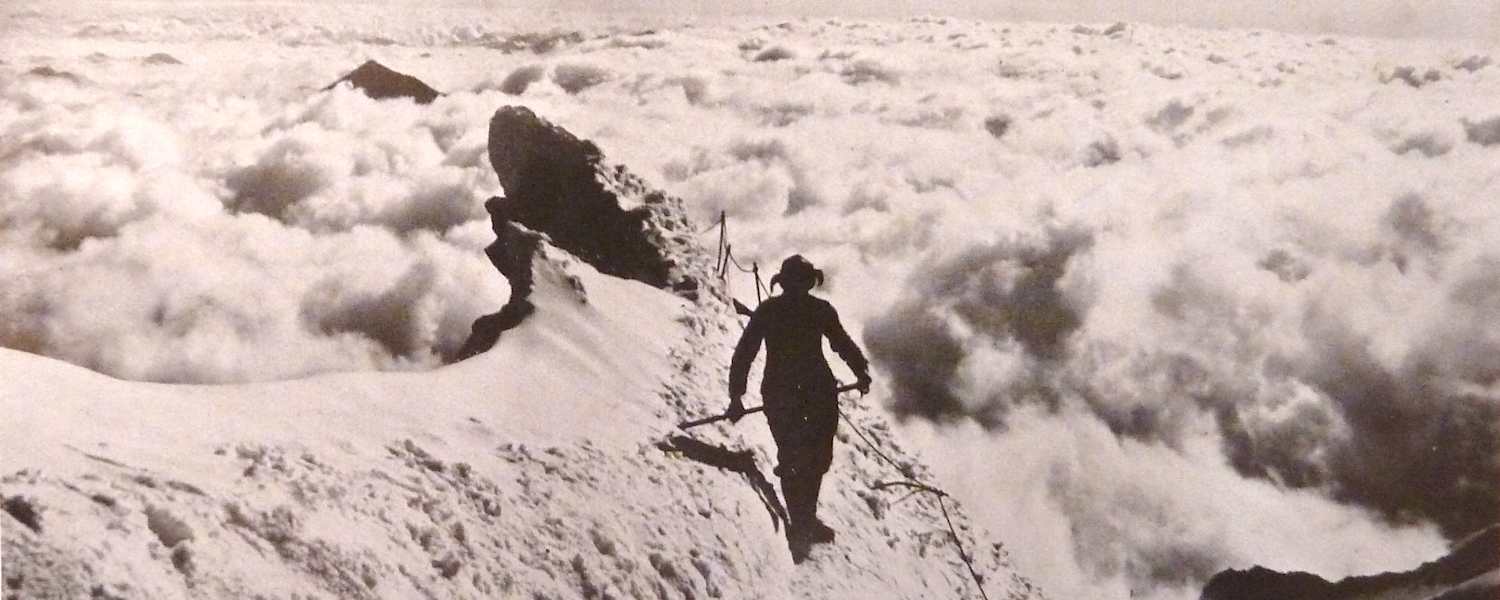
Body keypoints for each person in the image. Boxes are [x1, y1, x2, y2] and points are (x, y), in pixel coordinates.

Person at [727, 255, 872, 556]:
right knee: (802, 457)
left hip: (798, 392)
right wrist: (736, 395)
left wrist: (861, 370)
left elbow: (840, 342)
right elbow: (746, 352)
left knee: (812, 457)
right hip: (805, 392)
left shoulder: (790, 310)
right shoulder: (806, 310)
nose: (797, 288)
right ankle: (801, 524)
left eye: (800, 283)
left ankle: (804, 518)